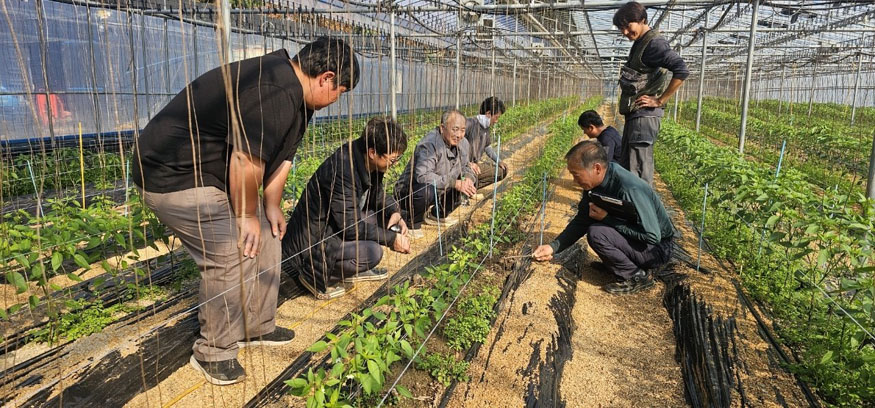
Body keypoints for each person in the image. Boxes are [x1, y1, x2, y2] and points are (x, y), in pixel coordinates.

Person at [132, 37, 359, 385]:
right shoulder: (275, 87)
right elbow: (245, 158)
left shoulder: (299, 100)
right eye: (340, 91)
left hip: (213, 175)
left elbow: (281, 159)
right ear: (326, 77)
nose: (336, 99)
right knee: (230, 251)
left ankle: (256, 325)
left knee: (269, 234)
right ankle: (214, 351)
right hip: (172, 176)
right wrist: (243, 215)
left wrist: (269, 206)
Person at [282, 117, 411, 300]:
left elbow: (377, 195)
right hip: (314, 242)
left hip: (334, 227)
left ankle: (351, 269)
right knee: (373, 252)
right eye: (393, 159)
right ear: (373, 152)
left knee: (380, 218)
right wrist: (392, 239)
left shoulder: (365, 159)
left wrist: (395, 212)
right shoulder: (344, 170)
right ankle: (313, 275)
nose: (394, 163)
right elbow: (350, 227)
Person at [532, 141, 674, 295]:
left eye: (576, 174)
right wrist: (553, 247)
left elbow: (652, 236)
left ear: (597, 168)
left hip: (657, 250)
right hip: (639, 243)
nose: (574, 181)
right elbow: (582, 220)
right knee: (596, 228)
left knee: (597, 233)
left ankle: (637, 276)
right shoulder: (595, 185)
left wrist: (607, 218)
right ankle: (619, 264)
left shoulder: (629, 188)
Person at [614, 1, 688, 185]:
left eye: (628, 26)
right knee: (628, 166)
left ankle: (638, 211)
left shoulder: (654, 43)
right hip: (637, 115)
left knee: (637, 173)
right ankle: (628, 209)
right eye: (621, 28)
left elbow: (681, 69)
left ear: (642, 20)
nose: (624, 32)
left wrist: (660, 100)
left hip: (644, 117)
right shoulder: (641, 43)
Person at [395, 110, 476, 238]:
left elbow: (467, 166)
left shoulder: (463, 143)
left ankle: (437, 215)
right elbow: (422, 176)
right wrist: (454, 183)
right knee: (426, 189)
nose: (459, 135)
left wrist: (469, 179)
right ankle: (412, 223)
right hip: (411, 191)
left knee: (464, 183)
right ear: (442, 128)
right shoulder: (429, 144)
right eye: (455, 129)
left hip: (439, 188)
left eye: (462, 130)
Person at [465, 97, 508, 195]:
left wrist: (498, 161)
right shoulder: (470, 124)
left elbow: (487, 147)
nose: (496, 121)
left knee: (502, 170)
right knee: (469, 174)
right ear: (488, 114)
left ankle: (471, 188)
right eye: (496, 117)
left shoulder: (486, 128)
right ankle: (463, 191)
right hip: (463, 167)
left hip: (474, 166)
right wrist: (467, 163)